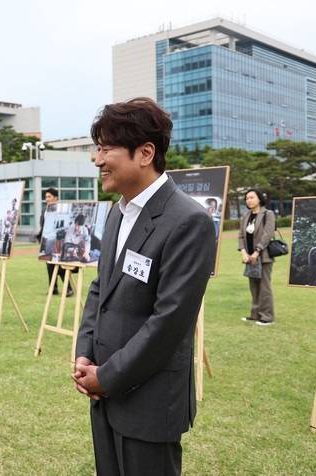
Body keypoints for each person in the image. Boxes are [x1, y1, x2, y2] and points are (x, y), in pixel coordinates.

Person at [72, 97, 215, 476]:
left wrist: (108, 376)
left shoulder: (188, 222)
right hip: (103, 393)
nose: (97, 159)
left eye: (105, 149)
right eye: (96, 148)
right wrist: (85, 353)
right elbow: (101, 289)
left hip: (149, 402)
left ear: (145, 153)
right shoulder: (118, 212)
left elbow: (168, 323)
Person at [238, 188, 276, 325]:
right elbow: (241, 236)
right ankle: (255, 315)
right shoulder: (245, 216)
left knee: (264, 287)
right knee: (253, 286)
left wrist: (257, 251)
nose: (249, 200)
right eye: (247, 198)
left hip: (263, 257)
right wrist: (243, 252)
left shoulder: (268, 214)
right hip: (249, 258)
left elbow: (268, 234)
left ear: (259, 198)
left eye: (252, 197)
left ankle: (267, 317)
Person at [37, 188, 74, 296]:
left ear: (55, 197)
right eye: (46, 197)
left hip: (59, 241)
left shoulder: (61, 210)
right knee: (49, 265)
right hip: (48, 241)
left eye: (49, 196)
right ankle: (53, 288)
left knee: (60, 266)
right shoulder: (45, 211)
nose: (47, 199)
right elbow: (43, 226)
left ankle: (69, 288)